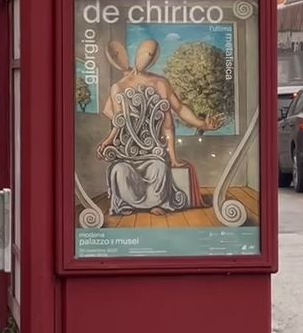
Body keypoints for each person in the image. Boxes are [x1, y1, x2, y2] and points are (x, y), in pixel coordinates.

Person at [96, 39, 225, 216]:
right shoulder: (118, 87)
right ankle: (126, 204)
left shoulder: (160, 83)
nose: (146, 58)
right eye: (144, 53)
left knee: (159, 168)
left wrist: (202, 124)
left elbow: (178, 110)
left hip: (153, 151)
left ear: (155, 59)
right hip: (127, 151)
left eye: (151, 55)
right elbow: (119, 122)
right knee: (119, 170)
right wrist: (108, 142)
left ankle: (157, 203)